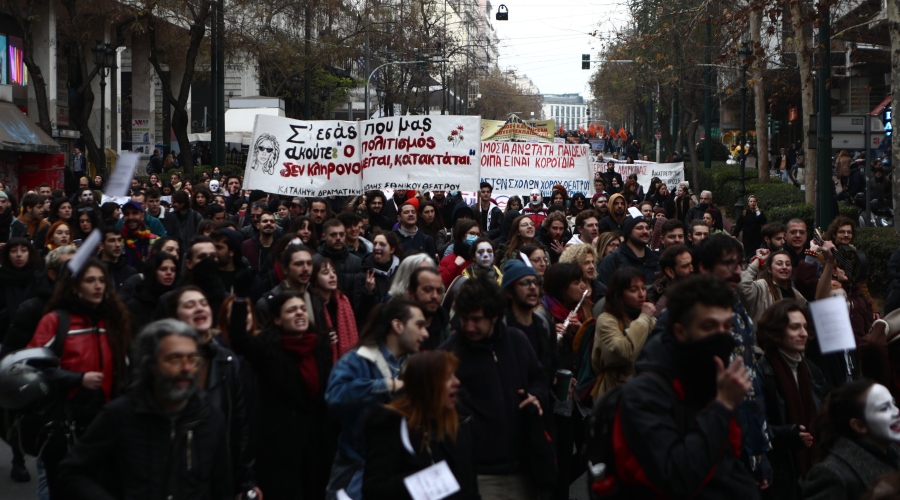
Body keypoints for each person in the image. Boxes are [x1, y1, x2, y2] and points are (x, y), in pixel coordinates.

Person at [611, 274, 760, 498]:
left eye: (727, 326)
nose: (721, 336)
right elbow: (677, 476)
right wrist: (722, 406)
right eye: (709, 326)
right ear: (681, 332)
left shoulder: (713, 376)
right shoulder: (644, 392)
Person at [57, 319, 233, 499]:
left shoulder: (210, 418)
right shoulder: (119, 416)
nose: (186, 368)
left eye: (193, 359)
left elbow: (221, 486)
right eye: (175, 359)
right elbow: (72, 473)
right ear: (151, 364)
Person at [27, 259, 131, 497]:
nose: (98, 286)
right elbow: (31, 368)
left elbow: (127, 368)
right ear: (74, 286)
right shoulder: (55, 320)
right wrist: (77, 378)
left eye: (102, 280)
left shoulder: (113, 320)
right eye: (90, 280)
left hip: (107, 423)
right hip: (65, 426)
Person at [440, 274, 548, 499]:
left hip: (523, 467)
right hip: (479, 473)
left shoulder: (516, 341)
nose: (469, 327)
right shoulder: (449, 354)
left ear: (495, 316)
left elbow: (539, 377)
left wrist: (536, 395)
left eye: (477, 319)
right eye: (464, 318)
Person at [228, 292, 334, 499]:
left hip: (317, 441)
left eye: (302, 309)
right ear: (277, 319)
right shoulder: (267, 347)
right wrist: (240, 300)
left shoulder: (320, 345)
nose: (299, 313)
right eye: (292, 310)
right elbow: (239, 340)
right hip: (280, 446)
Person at [326, 299, 429, 499]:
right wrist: (387, 386)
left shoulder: (412, 366)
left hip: (394, 475)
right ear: (397, 326)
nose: (426, 333)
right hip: (356, 477)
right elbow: (334, 395)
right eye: (419, 325)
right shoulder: (358, 360)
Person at [694, 235, 773, 486]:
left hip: (747, 438)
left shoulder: (738, 310)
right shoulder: (685, 316)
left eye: (740, 264)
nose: (737, 271)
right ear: (704, 268)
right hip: (710, 444)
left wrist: (760, 452)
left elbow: (749, 385)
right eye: (729, 264)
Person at [362, 350, 476, 499]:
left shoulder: (459, 420)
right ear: (426, 385)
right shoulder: (391, 425)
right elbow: (375, 489)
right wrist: (424, 481)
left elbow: (468, 484)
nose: (457, 382)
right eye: (447, 377)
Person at [755, 300, 828, 500]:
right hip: (779, 476)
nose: (803, 333)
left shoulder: (812, 371)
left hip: (812, 471)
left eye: (805, 327)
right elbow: (754, 427)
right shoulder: (761, 373)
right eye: (795, 327)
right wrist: (788, 434)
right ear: (776, 331)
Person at [803, 379, 900, 499]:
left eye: (893, 403)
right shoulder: (832, 474)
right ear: (859, 425)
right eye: (884, 408)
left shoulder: (893, 455)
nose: (897, 412)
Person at [592, 267, 657, 395]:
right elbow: (623, 352)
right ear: (619, 294)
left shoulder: (650, 319)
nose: (641, 294)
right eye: (633, 290)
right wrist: (643, 319)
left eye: (643, 288)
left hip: (647, 390)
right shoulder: (606, 319)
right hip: (617, 393)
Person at [738, 248, 807, 323]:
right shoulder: (762, 287)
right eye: (779, 263)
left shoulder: (796, 295)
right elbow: (741, 285)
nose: (784, 267)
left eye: (788, 264)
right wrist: (758, 259)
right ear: (769, 269)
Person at [311, 257, 360, 363]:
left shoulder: (343, 301)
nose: (332, 275)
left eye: (333, 271)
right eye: (325, 272)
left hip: (346, 364)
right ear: (315, 278)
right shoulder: (311, 305)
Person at [597, 215, 659, 286]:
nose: (645, 231)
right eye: (639, 228)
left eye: (647, 228)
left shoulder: (656, 259)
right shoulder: (612, 261)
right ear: (628, 232)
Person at [125, 251, 178, 332]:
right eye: (163, 269)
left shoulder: (178, 298)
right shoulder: (136, 304)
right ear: (153, 271)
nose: (169, 273)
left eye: (173, 270)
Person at [355, 230, 402, 321]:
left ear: (392, 249)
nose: (377, 247)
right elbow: (359, 313)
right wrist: (368, 292)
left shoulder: (400, 272)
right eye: (375, 244)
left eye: (382, 245)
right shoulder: (364, 275)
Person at [319, 218, 363, 301]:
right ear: (324, 236)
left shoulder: (356, 262)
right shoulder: (316, 261)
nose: (338, 238)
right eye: (333, 235)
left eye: (341, 234)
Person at [439, 220, 481, 287]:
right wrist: (454, 265)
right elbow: (439, 282)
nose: (476, 237)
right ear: (462, 236)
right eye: (472, 233)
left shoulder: (481, 259)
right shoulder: (449, 260)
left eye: (478, 234)